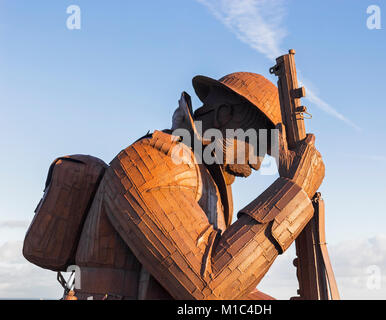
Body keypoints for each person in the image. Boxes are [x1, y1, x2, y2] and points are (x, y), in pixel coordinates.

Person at [73, 72, 325, 300]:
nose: (259, 165)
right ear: (224, 115)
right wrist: (293, 190)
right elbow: (209, 290)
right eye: (259, 144)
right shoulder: (153, 161)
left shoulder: (205, 181)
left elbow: (234, 289)